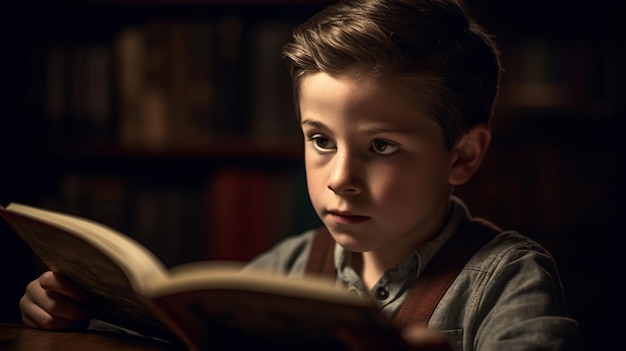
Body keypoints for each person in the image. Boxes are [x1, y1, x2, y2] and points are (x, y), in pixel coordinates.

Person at [19, 0, 578, 349]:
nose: (340, 178)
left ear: (463, 157)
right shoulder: (287, 268)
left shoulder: (505, 278)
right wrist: (80, 314)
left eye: (381, 146)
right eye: (320, 140)